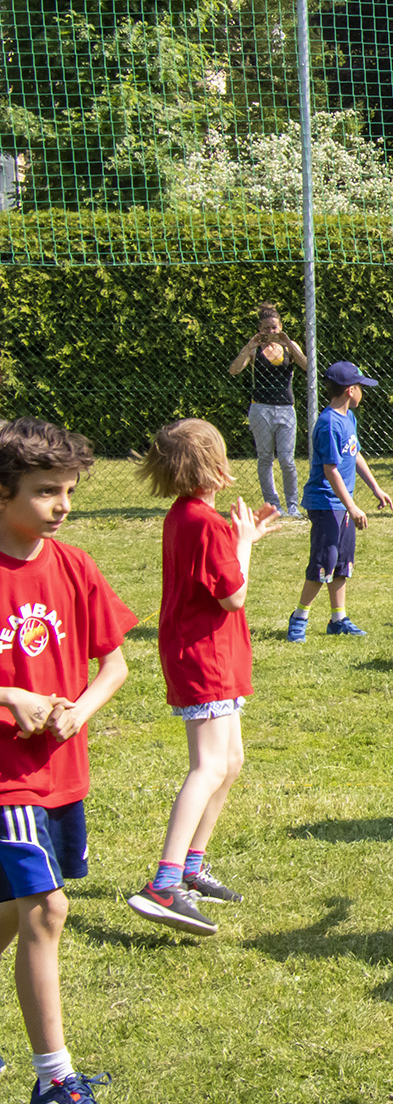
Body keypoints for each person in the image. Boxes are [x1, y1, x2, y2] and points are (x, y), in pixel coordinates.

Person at [0, 417, 136, 1104]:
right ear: (2, 492)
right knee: (45, 909)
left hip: (61, 775)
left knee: (12, 913)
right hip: (6, 781)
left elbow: (114, 662)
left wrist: (80, 709)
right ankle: (55, 1079)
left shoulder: (74, 564)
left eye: (69, 490)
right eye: (46, 491)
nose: (63, 504)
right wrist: (10, 694)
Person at [126, 419, 276, 939]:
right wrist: (246, 542)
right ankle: (164, 884)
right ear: (215, 466)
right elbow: (233, 595)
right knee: (208, 766)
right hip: (205, 657)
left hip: (208, 653)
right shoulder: (207, 524)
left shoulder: (183, 515)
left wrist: (242, 535)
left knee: (230, 762)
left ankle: (191, 867)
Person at [287, 361, 393, 642]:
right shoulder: (328, 423)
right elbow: (330, 469)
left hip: (341, 504)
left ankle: (338, 619)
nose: (362, 393)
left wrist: (375, 488)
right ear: (350, 390)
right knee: (324, 561)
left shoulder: (348, 419)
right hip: (326, 503)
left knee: (342, 562)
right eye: (360, 387)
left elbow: (354, 454)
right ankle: (299, 618)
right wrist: (352, 506)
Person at [227, 302, 308, 518]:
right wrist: (249, 346)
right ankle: (273, 506)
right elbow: (234, 370)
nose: (270, 332)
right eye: (266, 328)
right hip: (260, 409)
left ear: (280, 326)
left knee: (287, 460)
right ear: (259, 329)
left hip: (286, 409)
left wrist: (288, 343)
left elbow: (308, 366)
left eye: (274, 327)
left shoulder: (290, 347)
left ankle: (292, 505)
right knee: (265, 458)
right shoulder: (255, 350)